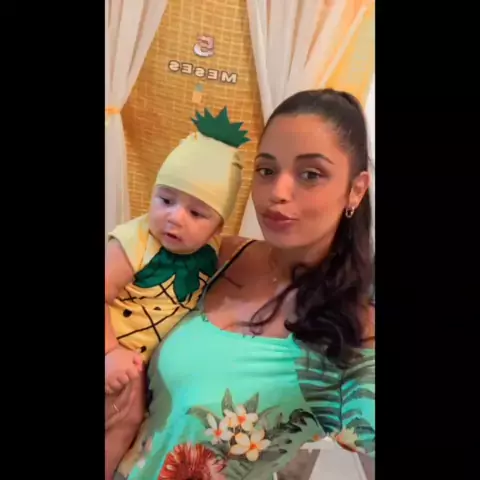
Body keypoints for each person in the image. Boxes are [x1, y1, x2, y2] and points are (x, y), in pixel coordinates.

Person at [113, 88, 375, 480]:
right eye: (267, 170)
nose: (277, 193)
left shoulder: (358, 328)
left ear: (356, 189)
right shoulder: (214, 256)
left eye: (310, 174)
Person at [104, 107, 250, 479]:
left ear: (218, 225)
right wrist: (110, 351)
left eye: (197, 213)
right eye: (166, 200)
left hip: (136, 368)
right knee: (123, 417)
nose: (175, 217)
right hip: (111, 348)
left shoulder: (211, 251)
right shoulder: (134, 241)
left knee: (129, 421)